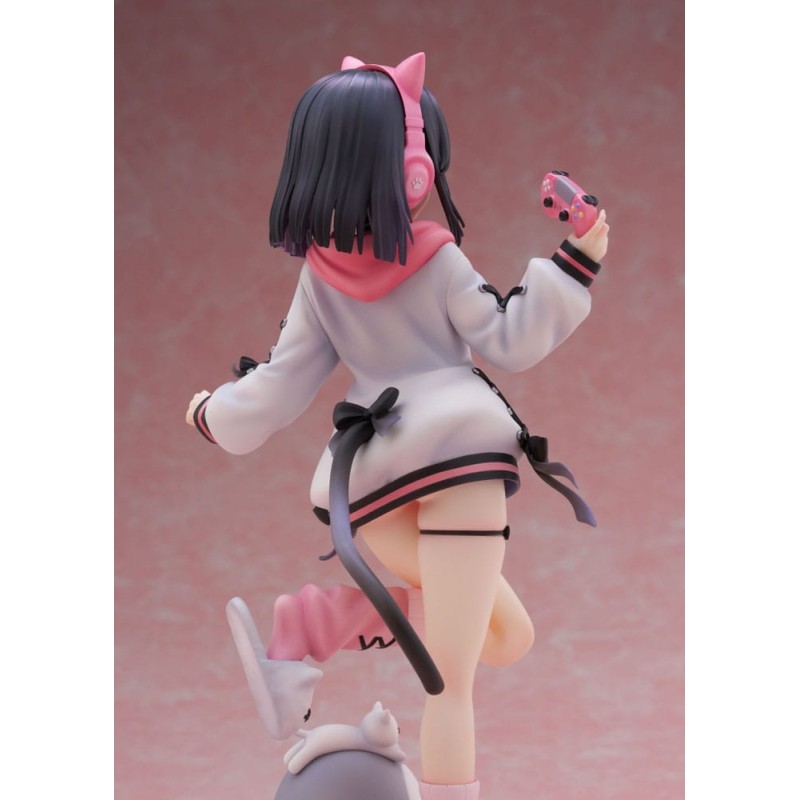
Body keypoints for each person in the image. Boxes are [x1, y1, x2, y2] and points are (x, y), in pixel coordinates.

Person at [186, 52, 609, 800]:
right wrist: (579, 257)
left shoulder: (319, 277)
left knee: (505, 636)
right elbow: (509, 340)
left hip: (371, 487)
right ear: (411, 168)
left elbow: (281, 383)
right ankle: (316, 631)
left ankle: (314, 624)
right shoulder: (435, 260)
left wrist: (212, 415)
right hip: (458, 470)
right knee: (451, 681)